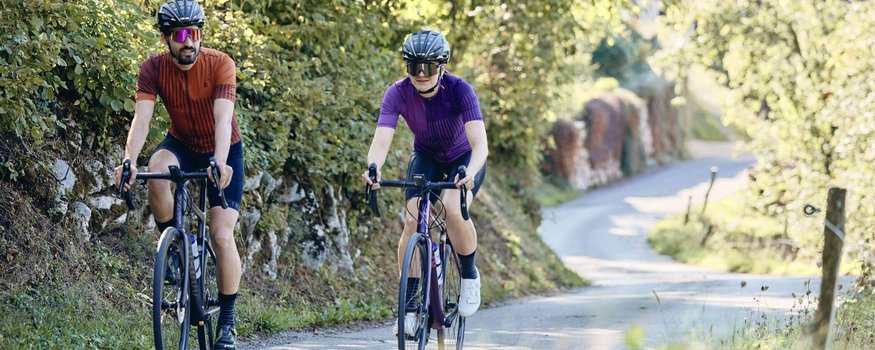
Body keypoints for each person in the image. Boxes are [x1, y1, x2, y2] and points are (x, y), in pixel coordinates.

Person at [113, 1, 244, 348]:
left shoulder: (220, 64)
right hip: (182, 143)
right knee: (156, 171)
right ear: (166, 38)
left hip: (223, 148)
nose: (189, 41)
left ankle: (228, 321)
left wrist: (219, 161)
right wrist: (129, 160)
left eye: (195, 33)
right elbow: (141, 121)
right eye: (180, 35)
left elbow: (221, 120)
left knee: (220, 234)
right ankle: (174, 249)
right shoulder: (153, 69)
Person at [361, 30, 489, 337]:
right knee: (411, 219)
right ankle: (410, 308)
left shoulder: (460, 90)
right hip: (427, 157)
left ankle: (470, 276)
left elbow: (480, 145)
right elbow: (381, 139)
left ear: (442, 66)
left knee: (451, 209)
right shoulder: (397, 93)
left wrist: (469, 172)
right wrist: (374, 168)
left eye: (429, 66)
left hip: (463, 158)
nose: (421, 73)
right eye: (414, 66)